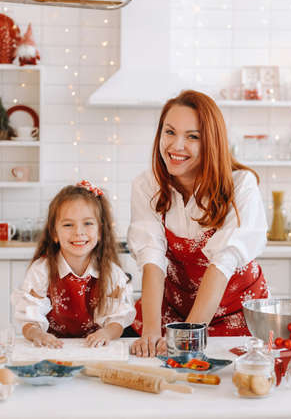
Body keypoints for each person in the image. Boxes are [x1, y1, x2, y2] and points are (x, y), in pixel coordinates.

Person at [127, 90, 269, 357]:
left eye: (192, 136)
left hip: (235, 313)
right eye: (169, 132)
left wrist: (187, 335)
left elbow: (221, 265)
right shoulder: (148, 186)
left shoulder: (240, 186)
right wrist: (150, 332)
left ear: (211, 143)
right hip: (175, 309)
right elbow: (152, 259)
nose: (176, 146)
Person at [12, 180, 135, 348]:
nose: (78, 232)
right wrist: (37, 334)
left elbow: (117, 320)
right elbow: (29, 320)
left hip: (95, 349)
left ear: (100, 232)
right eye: (68, 224)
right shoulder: (41, 270)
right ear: (54, 233)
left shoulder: (112, 273)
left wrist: (106, 333)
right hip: (53, 349)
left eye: (88, 223)